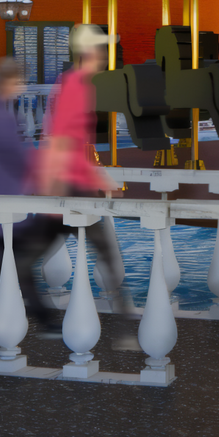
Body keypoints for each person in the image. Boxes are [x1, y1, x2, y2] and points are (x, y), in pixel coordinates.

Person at [0, 58, 70, 335]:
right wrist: (46, 177)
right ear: (6, 82)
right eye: (19, 81)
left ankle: (31, 320)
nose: (22, 86)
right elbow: (16, 158)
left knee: (9, 266)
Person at [33, 26, 133, 322]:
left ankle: (123, 317)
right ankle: (123, 319)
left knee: (98, 248)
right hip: (70, 183)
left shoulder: (79, 84)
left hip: (72, 181)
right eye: (101, 49)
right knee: (103, 248)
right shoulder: (76, 86)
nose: (105, 55)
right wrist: (98, 179)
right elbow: (63, 140)